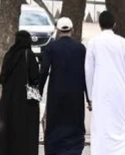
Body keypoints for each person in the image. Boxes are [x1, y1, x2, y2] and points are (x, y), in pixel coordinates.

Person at [85, 10, 125, 155]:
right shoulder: (122, 43)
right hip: (121, 92)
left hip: (100, 92)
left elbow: (88, 72)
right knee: (120, 127)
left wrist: (90, 97)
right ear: (114, 24)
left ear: (99, 24)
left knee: (100, 128)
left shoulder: (93, 43)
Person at [38, 17, 88, 155]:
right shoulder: (81, 48)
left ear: (58, 31)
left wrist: (38, 93)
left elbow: (43, 72)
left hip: (56, 93)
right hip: (76, 94)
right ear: (72, 30)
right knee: (75, 124)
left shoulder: (51, 48)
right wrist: (89, 98)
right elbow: (86, 74)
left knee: (55, 125)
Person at [0, 30, 40, 155]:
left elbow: (2, 77)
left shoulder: (9, 55)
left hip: (9, 102)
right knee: (25, 134)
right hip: (25, 103)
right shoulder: (29, 55)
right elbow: (35, 77)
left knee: (8, 133)